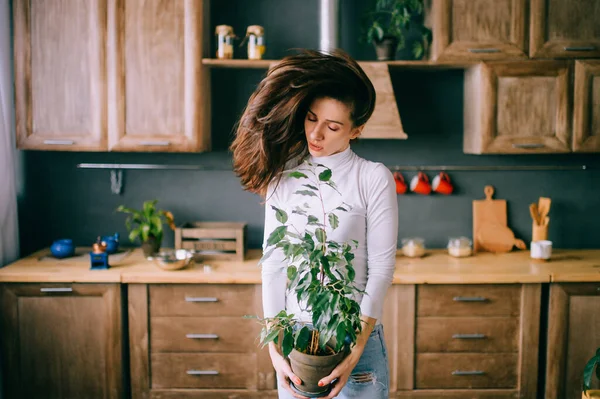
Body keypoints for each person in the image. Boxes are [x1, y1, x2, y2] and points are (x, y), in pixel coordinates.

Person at [231, 49, 398, 399]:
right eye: (311, 118)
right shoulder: (283, 174)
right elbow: (274, 265)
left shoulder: (372, 177)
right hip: (295, 345)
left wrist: (354, 351)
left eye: (333, 126)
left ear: (357, 130)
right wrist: (276, 347)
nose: (316, 134)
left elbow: (381, 269)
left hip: (357, 341)